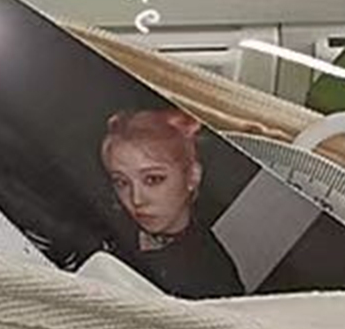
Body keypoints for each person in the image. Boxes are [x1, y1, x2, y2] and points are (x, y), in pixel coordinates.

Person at [98, 108, 243, 298]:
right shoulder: (101, 222)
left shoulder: (212, 279)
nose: (136, 199)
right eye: (122, 182)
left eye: (153, 179)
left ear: (192, 176)